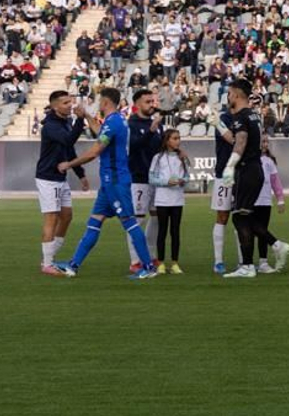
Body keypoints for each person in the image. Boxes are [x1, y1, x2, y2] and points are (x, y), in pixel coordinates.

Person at [52, 87, 158, 280]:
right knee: (94, 222)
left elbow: (94, 151)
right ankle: (73, 265)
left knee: (130, 223)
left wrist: (69, 164)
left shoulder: (114, 122)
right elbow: (100, 132)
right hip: (109, 182)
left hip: (116, 181)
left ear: (106, 103)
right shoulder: (115, 121)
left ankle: (149, 267)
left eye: (100, 101)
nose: (98, 104)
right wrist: (85, 116)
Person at [225, 79, 288, 278]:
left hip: (246, 170)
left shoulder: (242, 116)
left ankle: (248, 265)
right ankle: (274, 246)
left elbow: (240, 142)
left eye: (229, 93)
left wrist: (230, 165)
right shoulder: (253, 115)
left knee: (239, 216)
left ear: (236, 94)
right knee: (246, 215)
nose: (228, 97)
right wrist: (219, 126)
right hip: (256, 169)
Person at [36, 89, 90, 276]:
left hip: (60, 178)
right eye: (66, 103)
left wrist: (80, 174)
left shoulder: (65, 122)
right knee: (51, 218)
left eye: (70, 102)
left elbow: (69, 150)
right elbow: (68, 140)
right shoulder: (50, 126)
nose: (70, 106)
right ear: (55, 106)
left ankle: (48, 258)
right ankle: (48, 264)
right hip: (48, 178)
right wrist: (80, 120)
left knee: (66, 216)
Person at [126, 88, 163, 272]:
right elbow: (134, 146)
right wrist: (151, 130)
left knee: (157, 217)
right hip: (138, 177)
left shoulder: (156, 124)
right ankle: (135, 260)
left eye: (152, 101)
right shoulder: (130, 124)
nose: (151, 105)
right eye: (147, 102)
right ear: (137, 104)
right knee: (137, 219)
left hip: (156, 179)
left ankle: (150, 254)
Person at [149, 128, 190, 274]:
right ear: (167, 141)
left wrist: (181, 181)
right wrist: (166, 182)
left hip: (177, 200)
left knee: (175, 232)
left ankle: (174, 263)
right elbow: (151, 178)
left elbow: (187, 177)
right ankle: (160, 262)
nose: (178, 141)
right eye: (174, 138)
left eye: (179, 138)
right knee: (162, 231)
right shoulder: (158, 158)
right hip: (162, 200)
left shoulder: (182, 157)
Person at [210, 105, 238, 274]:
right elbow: (233, 139)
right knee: (222, 215)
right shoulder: (224, 119)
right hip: (224, 174)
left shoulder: (247, 117)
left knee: (242, 216)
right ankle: (218, 261)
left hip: (242, 173)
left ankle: (244, 260)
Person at [252, 140, 287, 273]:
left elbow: (275, 182)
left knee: (261, 231)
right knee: (252, 229)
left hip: (265, 201)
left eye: (266, 142)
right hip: (251, 201)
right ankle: (246, 261)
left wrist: (280, 200)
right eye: (262, 142)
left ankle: (263, 263)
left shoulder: (269, 162)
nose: (264, 144)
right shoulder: (250, 160)